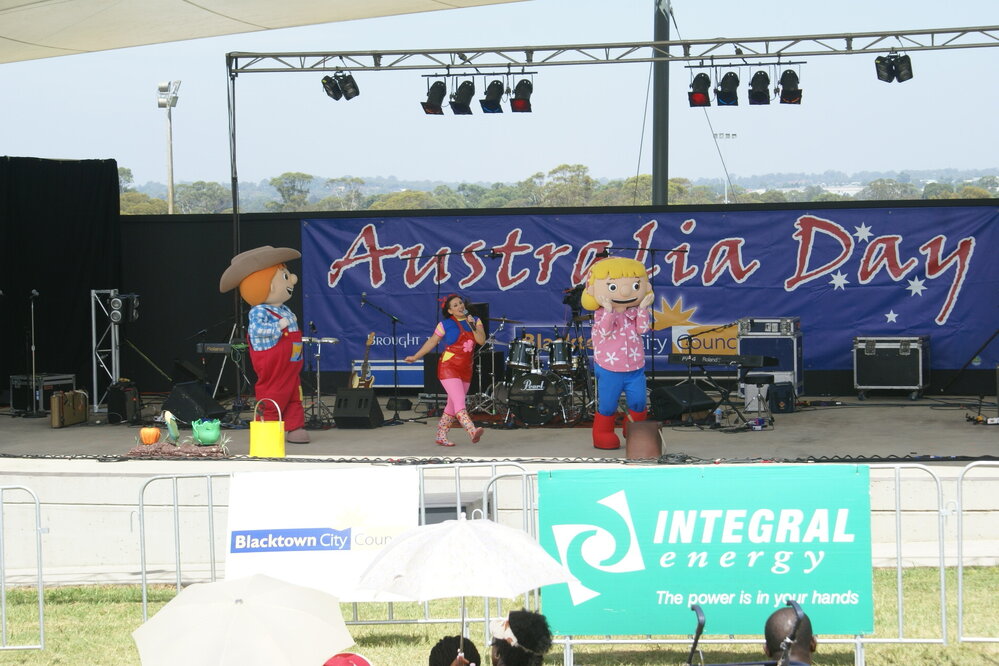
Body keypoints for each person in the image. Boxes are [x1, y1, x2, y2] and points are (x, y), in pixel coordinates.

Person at [219, 245, 310, 443]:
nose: (292, 279)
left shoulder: (285, 309)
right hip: (273, 362)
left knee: (294, 393)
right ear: (265, 284)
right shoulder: (259, 311)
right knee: (273, 392)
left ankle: (295, 426)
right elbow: (257, 331)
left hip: (292, 362)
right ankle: (267, 426)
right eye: (284, 276)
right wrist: (278, 327)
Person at [580, 257, 654, 450]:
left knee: (638, 401)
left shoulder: (635, 313)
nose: (625, 291)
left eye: (636, 285)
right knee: (607, 404)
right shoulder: (600, 316)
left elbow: (643, 329)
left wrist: (644, 308)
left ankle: (634, 431)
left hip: (635, 367)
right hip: (609, 368)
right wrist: (609, 310)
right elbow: (604, 330)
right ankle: (602, 433)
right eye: (613, 287)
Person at [404, 294, 486, 447]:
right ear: (450, 311)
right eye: (455, 305)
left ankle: (441, 435)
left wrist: (473, 325)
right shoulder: (444, 324)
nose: (460, 306)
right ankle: (471, 430)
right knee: (460, 401)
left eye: (461, 303)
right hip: (448, 366)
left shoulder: (475, 320)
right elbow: (432, 342)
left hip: (466, 368)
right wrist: (416, 356)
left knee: (451, 404)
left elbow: (481, 341)